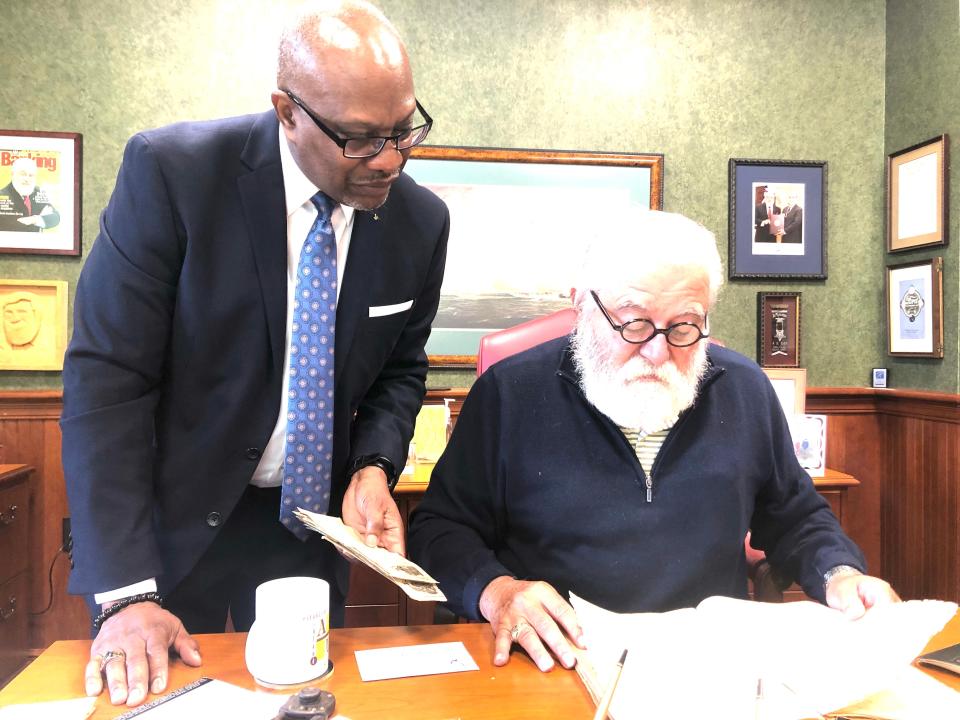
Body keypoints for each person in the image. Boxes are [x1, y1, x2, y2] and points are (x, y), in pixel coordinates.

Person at [61, 0, 448, 708]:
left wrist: (372, 465)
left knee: (305, 702)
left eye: (403, 130)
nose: (390, 159)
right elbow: (108, 384)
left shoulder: (420, 222)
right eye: (360, 139)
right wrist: (122, 595)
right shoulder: (172, 176)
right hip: (167, 532)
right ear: (287, 110)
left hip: (305, 533)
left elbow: (400, 368)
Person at [408, 209, 898, 674]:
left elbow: (796, 518)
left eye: (685, 325)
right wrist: (497, 591)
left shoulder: (744, 390)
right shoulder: (510, 393)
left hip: (705, 662)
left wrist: (840, 576)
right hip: (554, 658)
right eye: (635, 322)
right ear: (582, 305)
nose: (660, 350)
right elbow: (440, 529)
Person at [0, 157, 61, 232]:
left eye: (31, 175)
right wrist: (41, 218)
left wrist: (34, 219)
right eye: (23, 174)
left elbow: (56, 217)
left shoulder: (37, 191)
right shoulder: (2, 196)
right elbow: (12, 227)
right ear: (13, 174)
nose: (27, 179)